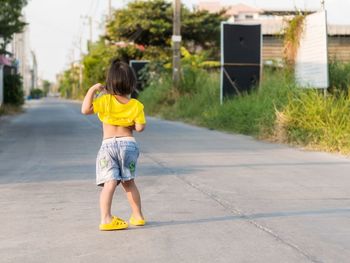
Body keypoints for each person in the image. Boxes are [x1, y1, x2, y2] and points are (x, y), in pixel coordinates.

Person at [81, 60, 146, 231]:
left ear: (109, 82)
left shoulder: (105, 100)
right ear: (132, 83)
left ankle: (106, 219)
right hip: (129, 145)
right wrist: (129, 124)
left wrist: (93, 89)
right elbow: (140, 128)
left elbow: (85, 110)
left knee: (110, 183)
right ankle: (138, 216)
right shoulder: (136, 105)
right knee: (129, 182)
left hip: (108, 146)